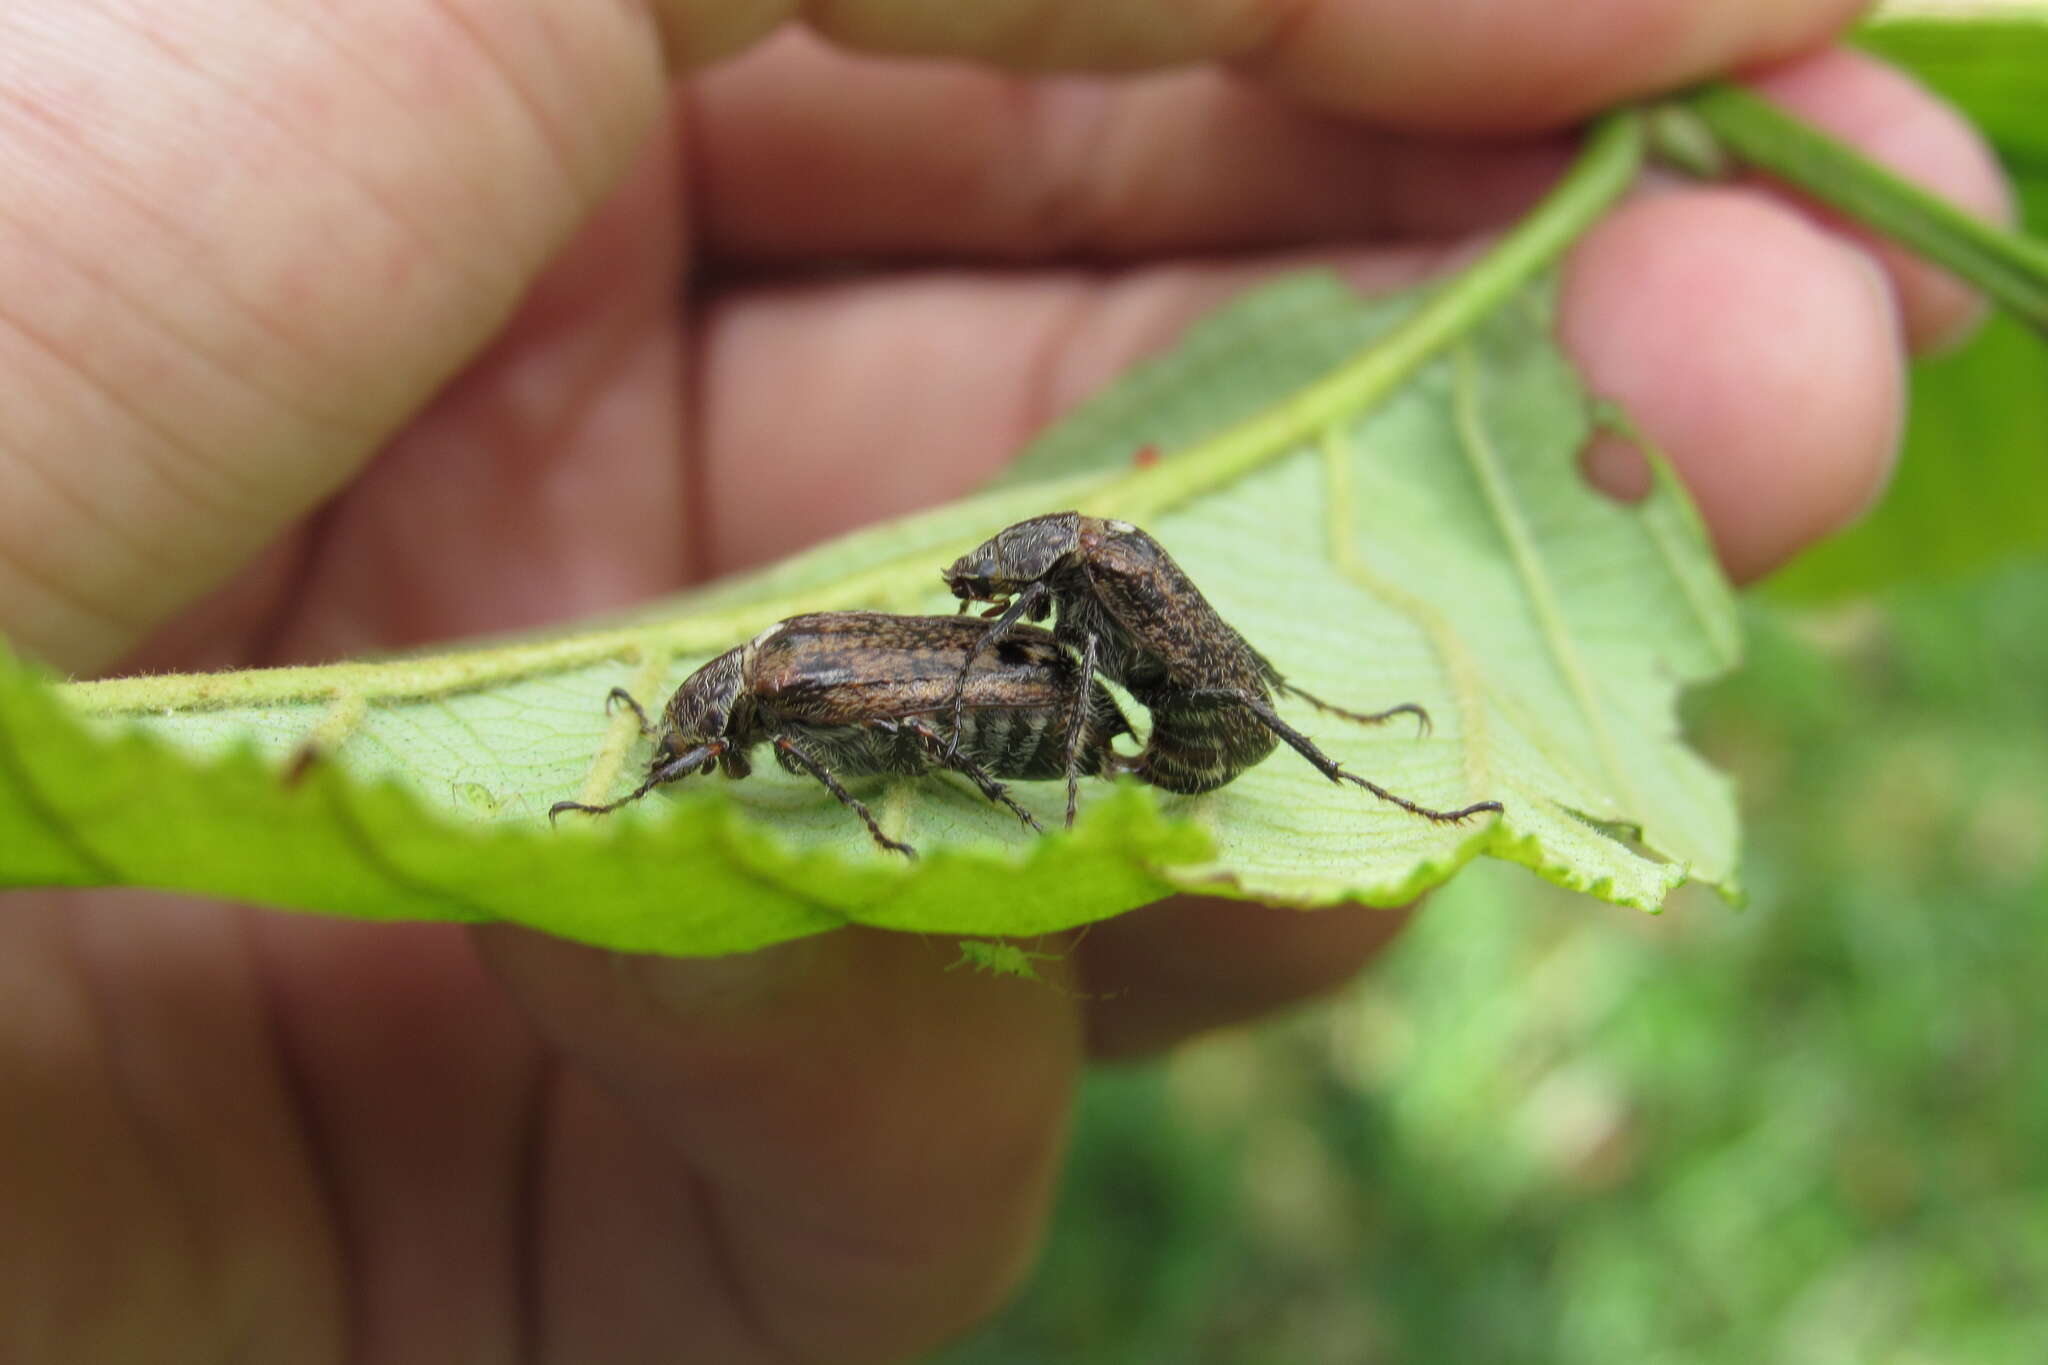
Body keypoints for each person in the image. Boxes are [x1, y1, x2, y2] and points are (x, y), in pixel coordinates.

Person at [0, 3, 2010, 1360]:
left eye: (702, 730)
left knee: (1023, 738)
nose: (712, 736)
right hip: (1096, 720)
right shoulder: (909, 649)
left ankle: (1356, 764)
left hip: (1161, 721)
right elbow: (974, 665)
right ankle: (1314, 761)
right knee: (973, 778)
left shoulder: (1052, 601)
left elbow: (1070, 664)